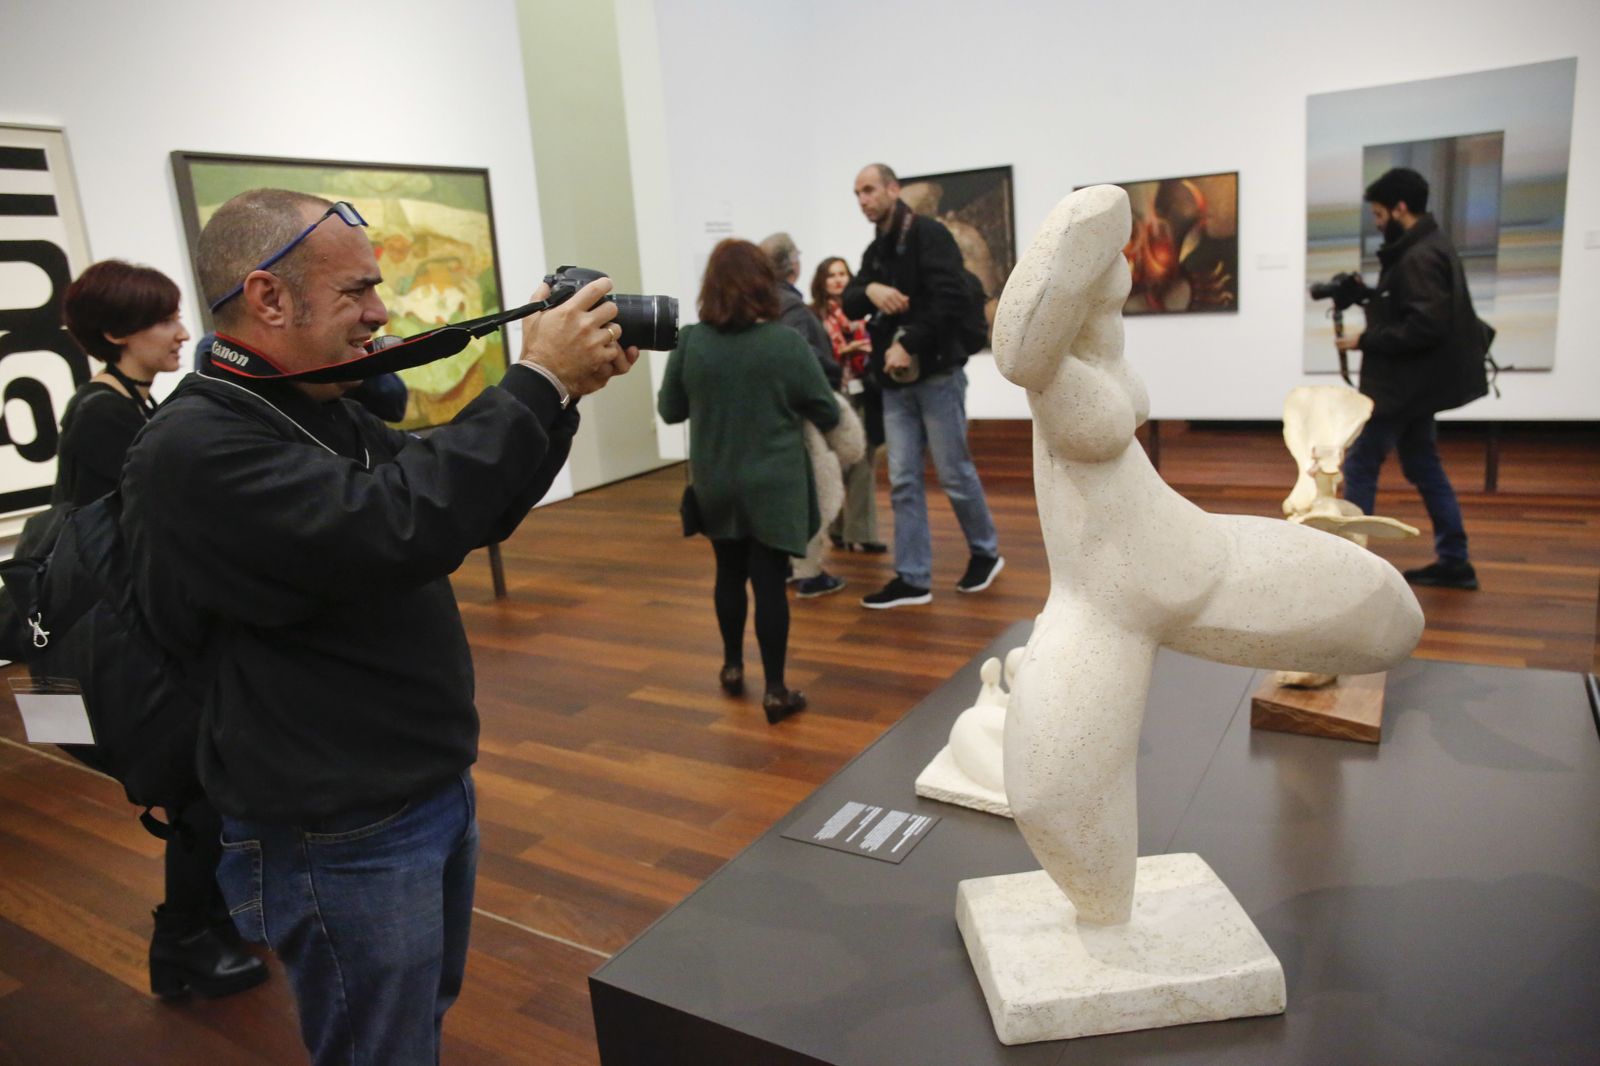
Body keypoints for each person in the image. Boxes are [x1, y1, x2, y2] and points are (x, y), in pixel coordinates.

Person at [120, 188, 636, 1065]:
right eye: (357, 290)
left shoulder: (311, 408)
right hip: (335, 821)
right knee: (377, 1046)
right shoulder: (196, 447)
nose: (380, 313)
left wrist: (559, 399)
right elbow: (398, 520)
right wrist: (538, 380)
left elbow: (457, 514)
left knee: (415, 1015)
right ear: (270, 298)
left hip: (417, 782)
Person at [55, 260, 270, 1002]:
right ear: (117, 333)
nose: (183, 333)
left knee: (207, 786)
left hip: (144, 630)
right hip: (128, 644)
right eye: (163, 321)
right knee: (196, 790)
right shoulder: (104, 415)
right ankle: (182, 942)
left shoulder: (132, 402)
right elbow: (157, 532)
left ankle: (215, 922)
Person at [658, 238, 840, 722]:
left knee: (728, 573)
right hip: (774, 484)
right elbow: (824, 408)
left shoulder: (691, 341)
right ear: (764, 285)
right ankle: (776, 689)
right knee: (769, 582)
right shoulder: (785, 343)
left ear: (709, 286)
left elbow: (669, 409)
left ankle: (733, 667)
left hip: (716, 481)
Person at [843, 163, 1003, 608]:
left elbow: (949, 297)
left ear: (893, 189)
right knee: (903, 481)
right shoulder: (877, 249)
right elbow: (851, 299)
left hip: (936, 377)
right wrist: (872, 288)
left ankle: (986, 553)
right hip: (896, 384)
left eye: (870, 190)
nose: (863, 200)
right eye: (857, 193)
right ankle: (913, 578)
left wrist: (908, 343)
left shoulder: (929, 235)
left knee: (953, 473)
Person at [1335, 167, 1488, 590]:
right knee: (1424, 465)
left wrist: (1367, 337)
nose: (1378, 223)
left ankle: (1351, 564)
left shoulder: (1420, 255)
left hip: (1402, 389)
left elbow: (1425, 326)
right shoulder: (1426, 247)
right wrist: (1370, 295)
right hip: (1417, 387)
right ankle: (1455, 558)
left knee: (1362, 464)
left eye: (1381, 214)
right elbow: (1417, 310)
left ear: (1400, 208)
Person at [759, 232, 848, 598]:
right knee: (810, 494)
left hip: (770, 418)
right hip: (800, 417)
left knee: (782, 496)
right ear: (794, 265)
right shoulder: (793, 311)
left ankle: (787, 567)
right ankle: (808, 573)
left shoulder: (758, 307)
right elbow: (803, 363)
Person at [810, 255, 886, 555]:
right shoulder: (816, 316)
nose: (838, 279)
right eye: (831, 275)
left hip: (861, 391)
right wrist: (848, 348)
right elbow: (819, 353)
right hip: (833, 394)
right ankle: (839, 529)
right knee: (837, 464)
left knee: (864, 462)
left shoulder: (857, 312)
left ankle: (861, 533)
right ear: (822, 280)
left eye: (842, 274)